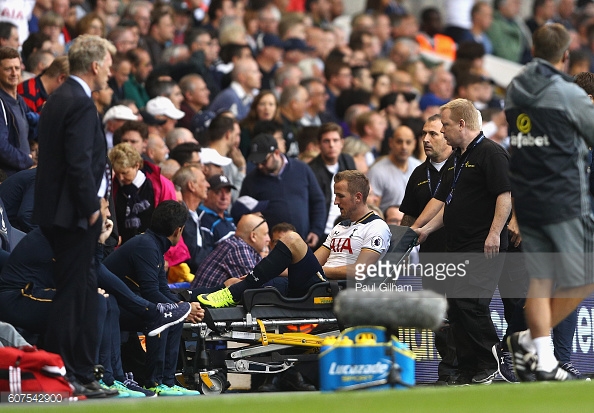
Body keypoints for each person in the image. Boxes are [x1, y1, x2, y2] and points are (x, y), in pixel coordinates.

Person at [505, 23, 594, 381]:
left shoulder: (514, 89)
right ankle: (528, 340)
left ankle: (542, 359)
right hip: (563, 197)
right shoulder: (567, 93)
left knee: (542, 279)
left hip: (527, 198)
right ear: (566, 55)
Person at [33, 34, 115, 398]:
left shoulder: (59, 97)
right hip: (74, 217)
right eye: (109, 64)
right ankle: (67, 374)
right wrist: (91, 211)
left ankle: (78, 372)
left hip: (58, 213)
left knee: (78, 292)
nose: (111, 71)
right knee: (74, 296)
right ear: (95, 65)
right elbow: (80, 165)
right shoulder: (80, 103)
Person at [412, 98, 512, 385]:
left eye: (444, 125)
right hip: (457, 244)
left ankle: (491, 361)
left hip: (482, 244)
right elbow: (448, 203)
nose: (442, 131)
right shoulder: (458, 158)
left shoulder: (491, 153)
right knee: (456, 306)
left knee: (471, 303)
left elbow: (503, 195)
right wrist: (427, 229)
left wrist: (494, 233)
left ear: (461, 124)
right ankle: (470, 368)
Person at [198, 170, 392, 307]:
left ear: (358, 197)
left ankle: (236, 292)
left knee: (292, 238)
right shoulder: (341, 227)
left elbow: (360, 271)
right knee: (237, 282)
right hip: (313, 282)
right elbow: (314, 261)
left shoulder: (377, 227)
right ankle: (189, 298)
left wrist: (318, 271)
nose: (335, 201)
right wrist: (258, 273)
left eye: (340, 196)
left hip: (333, 290)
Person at [103, 200, 203, 396]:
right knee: (163, 317)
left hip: (124, 303)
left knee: (174, 316)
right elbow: (151, 293)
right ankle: (154, 382)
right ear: (178, 231)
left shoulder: (153, 244)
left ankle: (167, 380)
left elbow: (162, 289)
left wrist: (183, 308)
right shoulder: (146, 246)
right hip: (110, 306)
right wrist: (183, 309)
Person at [399, 114, 458, 385]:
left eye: (433, 134)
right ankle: (447, 373)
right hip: (431, 257)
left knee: (463, 314)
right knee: (439, 318)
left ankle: (468, 369)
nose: (425, 139)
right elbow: (409, 218)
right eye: (424, 133)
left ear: (447, 134)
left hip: (462, 253)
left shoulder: (463, 165)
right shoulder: (419, 173)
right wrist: (397, 252)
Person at [240, 133, 326, 248]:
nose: (260, 166)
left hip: (305, 243)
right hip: (272, 248)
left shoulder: (301, 168)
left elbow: (318, 201)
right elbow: (243, 214)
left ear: (276, 153)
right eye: (256, 163)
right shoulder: (251, 180)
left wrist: (316, 230)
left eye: (263, 161)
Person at [308, 122, 356, 248]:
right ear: (319, 144)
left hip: (350, 229)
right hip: (324, 233)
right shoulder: (311, 170)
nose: (331, 145)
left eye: (335, 140)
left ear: (342, 143)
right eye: (326, 141)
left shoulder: (348, 161)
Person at [367, 125, 421, 212]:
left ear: (414, 144)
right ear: (391, 142)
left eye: (408, 142)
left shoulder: (419, 167)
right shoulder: (377, 171)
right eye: (399, 142)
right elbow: (372, 209)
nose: (404, 147)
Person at [0, 46, 34, 177]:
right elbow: (2, 147)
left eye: (17, 68)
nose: (14, 73)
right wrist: (27, 160)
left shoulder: (20, 101)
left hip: (21, 175)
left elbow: (32, 129)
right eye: (8, 69)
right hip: (8, 179)